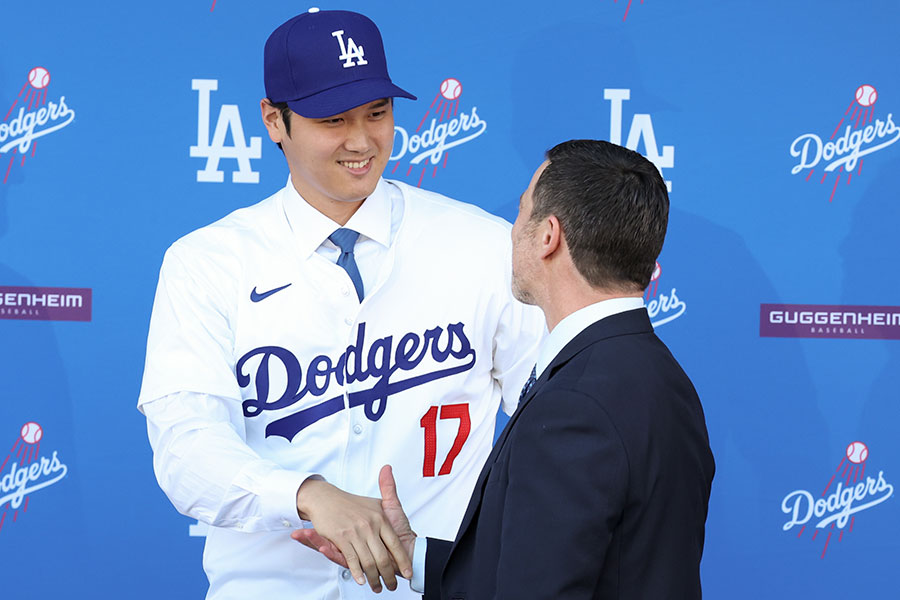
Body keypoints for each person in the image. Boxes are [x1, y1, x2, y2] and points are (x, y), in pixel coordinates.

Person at [137, 9, 543, 599]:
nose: (362, 141)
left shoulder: (481, 246)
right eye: (333, 119)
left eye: (377, 113)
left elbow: (558, 409)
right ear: (274, 121)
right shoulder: (207, 262)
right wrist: (305, 493)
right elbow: (186, 449)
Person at [298, 139, 716, 599]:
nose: (511, 230)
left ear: (548, 236)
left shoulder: (572, 408)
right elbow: (556, 560)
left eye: (522, 211)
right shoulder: (662, 376)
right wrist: (413, 554)